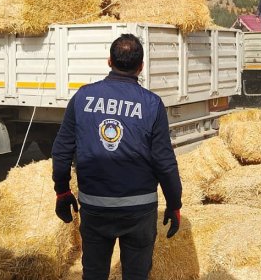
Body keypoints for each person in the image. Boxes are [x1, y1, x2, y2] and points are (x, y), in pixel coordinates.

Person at [51, 34, 182, 279]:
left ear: (109, 61)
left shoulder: (82, 97)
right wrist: (174, 204)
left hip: (95, 206)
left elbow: (61, 151)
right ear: (141, 67)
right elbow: (164, 162)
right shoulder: (152, 104)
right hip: (139, 210)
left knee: (94, 273)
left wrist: (62, 191)